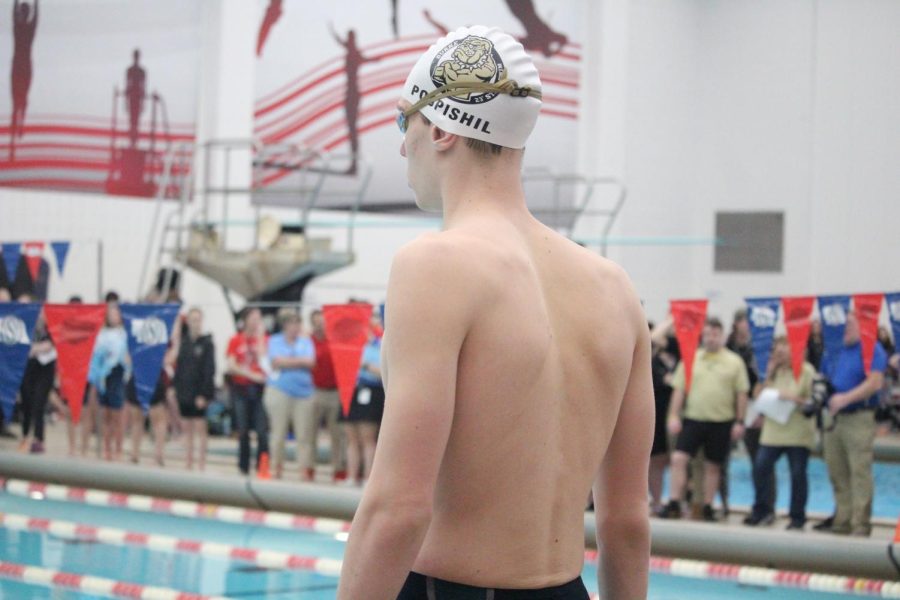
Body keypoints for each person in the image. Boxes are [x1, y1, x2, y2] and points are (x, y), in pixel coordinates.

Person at [338, 26, 651, 600]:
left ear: (439, 128)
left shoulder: (435, 265)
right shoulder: (614, 288)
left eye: (402, 123)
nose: (403, 147)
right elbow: (626, 521)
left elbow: (398, 509)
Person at [660, 317, 749, 522]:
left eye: (715, 335)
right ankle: (674, 501)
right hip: (693, 418)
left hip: (721, 421)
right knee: (678, 459)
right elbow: (679, 390)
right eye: (708, 335)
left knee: (713, 466)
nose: (711, 339)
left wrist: (739, 421)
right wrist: (673, 415)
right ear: (703, 336)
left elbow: (741, 394)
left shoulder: (734, 362)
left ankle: (708, 506)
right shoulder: (691, 359)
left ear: (722, 336)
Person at [816, 311, 887, 536]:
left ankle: (860, 524)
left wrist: (846, 398)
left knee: (859, 471)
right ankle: (842, 519)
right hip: (833, 418)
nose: (844, 329)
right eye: (841, 326)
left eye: (848, 325)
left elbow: (875, 382)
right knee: (836, 470)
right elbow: (821, 379)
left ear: (860, 326)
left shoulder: (871, 349)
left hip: (859, 417)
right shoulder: (832, 351)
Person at [743, 337, 815, 530]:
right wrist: (768, 373)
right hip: (773, 431)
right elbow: (757, 394)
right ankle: (763, 509)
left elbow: (812, 402)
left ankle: (797, 517)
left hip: (797, 433)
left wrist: (790, 397)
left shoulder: (806, 371)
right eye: (778, 347)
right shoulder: (773, 372)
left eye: (785, 346)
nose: (780, 350)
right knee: (760, 467)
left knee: (798, 473)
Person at [263, 307, 316, 480]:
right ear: (285, 325)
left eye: (297, 323)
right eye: (292, 323)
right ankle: (276, 467)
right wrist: (299, 361)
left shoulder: (306, 342)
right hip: (280, 390)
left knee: (304, 435)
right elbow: (276, 362)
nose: (295, 327)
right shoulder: (275, 341)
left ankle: (304, 470)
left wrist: (288, 362)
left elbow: (310, 362)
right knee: (278, 432)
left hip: (304, 393)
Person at [726, 307, 765, 515]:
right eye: (744, 321)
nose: (747, 325)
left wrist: (762, 412)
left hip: (753, 405)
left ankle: (762, 506)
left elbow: (763, 381)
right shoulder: (728, 345)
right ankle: (721, 503)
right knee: (720, 460)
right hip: (728, 405)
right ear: (736, 323)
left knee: (759, 460)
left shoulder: (758, 348)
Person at [339, 314, 384, 487]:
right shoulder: (351, 344)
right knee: (352, 437)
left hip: (371, 390)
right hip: (351, 389)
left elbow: (382, 370)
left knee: (367, 438)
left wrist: (364, 365)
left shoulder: (379, 344)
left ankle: (367, 478)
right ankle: (351, 476)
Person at [226, 307, 268, 476]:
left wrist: (259, 338)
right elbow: (231, 365)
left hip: (260, 390)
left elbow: (264, 359)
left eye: (259, 318)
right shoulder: (236, 340)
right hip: (241, 388)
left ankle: (262, 466)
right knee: (243, 429)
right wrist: (251, 374)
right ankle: (243, 467)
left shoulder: (264, 339)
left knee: (261, 430)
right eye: (253, 317)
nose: (256, 321)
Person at [173, 307, 215, 471]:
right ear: (188, 322)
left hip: (199, 393)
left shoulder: (207, 343)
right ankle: (188, 461)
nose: (195, 323)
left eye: (198, 320)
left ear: (202, 322)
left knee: (200, 428)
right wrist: (176, 389)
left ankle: (201, 463)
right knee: (187, 429)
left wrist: (204, 394)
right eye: (192, 320)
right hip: (184, 391)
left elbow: (209, 370)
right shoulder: (184, 343)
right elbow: (179, 368)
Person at [88, 301, 131, 462]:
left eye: (116, 313)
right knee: (105, 415)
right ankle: (107, 448)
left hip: (117, 374)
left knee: (117, 416)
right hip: (104, 377)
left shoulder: (125, 334)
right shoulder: (102, 334)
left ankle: (118, 448)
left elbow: (128, 358)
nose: (114, 316)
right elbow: (96, 357)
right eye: (111, 313)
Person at [310, 308, 347, 481]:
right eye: (317, 322)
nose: (320, 325)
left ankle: (338, 468)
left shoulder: (335, 341)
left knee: (337, 433)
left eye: (322, 321)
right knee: (310, 432)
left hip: (334, 392)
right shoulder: (308, 342)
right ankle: (309, 468)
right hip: (315, 391)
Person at [649, 319, 677, 514]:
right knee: (656, 460)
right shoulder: (652, 359)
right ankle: (657, 502)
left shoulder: (681, 352)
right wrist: (673, 316)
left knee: (676, 460)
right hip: (658, 414)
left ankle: (678, 502)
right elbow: (652, 338)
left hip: (678, 415)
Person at [18, 308, 55, 454]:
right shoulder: (26, 327)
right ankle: (25, 436)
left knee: (39, 404)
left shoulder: (52, 328)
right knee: (27, 402)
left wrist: (35, 349)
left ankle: (38, 440)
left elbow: (49, 345)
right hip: (29, 369)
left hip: (45, 370)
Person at [10, 0, 38, 159]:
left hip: (21, 66)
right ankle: (18, 130)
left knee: (19, 101)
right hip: (23, 66)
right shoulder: (25, 29)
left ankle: (17, 130)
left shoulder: (21, 29)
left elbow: (15, 15)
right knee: (20, 101)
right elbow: (34, 18)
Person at [125, 49, 146, 148]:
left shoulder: (141, 71)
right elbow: (127, 85)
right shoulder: (130, 70)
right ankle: (131, 141)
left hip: (137, 98)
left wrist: (143, 102)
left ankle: (134, 141)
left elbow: (143, 87)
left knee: (135, 122)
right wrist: (126, 101)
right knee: (132, 121)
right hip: (133, 98)